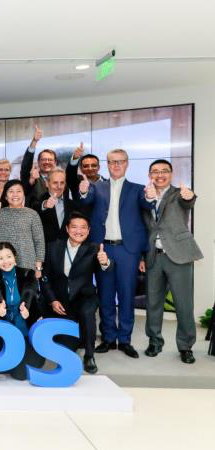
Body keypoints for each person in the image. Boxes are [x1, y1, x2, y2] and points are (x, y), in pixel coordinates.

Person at [79, 148, 152, 358]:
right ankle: (109, 338)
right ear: (108, 165)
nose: (116, 165)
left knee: (127, 296)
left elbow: (147, 204)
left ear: (127, 163)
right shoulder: (96, 187)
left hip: (128, 250)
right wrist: (83, 191)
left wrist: (150, 196)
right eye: (112, 162)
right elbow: (85, 200)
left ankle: (125, 340)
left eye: (120, 161)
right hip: (103, 249)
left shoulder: (138, 189)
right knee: (106, 295)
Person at [142, 160, 203, 364]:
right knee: (152, 303)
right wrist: (142, 256)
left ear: (171, 173)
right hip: (154, 256)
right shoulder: (144, 196)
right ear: (150, 175)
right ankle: (154, 341)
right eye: (155, 171)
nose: (160, 175)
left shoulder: (179, 193)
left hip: (179, 256)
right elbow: (143, 228)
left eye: (164, 171)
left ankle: (185, 346)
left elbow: (188, 202)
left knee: (183, 304)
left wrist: (189, 196)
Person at [40, 213, 111, 374]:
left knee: (87, 313)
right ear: (67, 229)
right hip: (60, 301)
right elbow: (45, 278)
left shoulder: (94, 249)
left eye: (83, 227)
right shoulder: (53, 247)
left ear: (88, 230)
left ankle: (89, 355)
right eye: (74, 227)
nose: (79, 231)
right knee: (67, 345)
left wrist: (105, 262)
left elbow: (106, 269)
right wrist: (52, 300)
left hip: (84, 297)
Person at [0, 242, 44, 380]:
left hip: (28, 331)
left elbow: (30, 289)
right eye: (1, 258)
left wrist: (25, 305)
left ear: (15, 257)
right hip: (8, 334)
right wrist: (0, 303)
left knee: (26, 372)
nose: (5, 261)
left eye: (8, 256)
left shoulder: (28, 273)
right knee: (17, 373)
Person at [0, 179, 45, 279]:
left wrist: (38, 267)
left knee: (25, 287)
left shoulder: (32, 214)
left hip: (26, 261)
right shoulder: (0, 212)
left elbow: (39, 241)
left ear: (24, 194)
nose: (15, 194)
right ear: (6, 196)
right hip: (2, 261)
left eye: (18, 191)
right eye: (11, 191)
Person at [32, 168, 79, 243]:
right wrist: (45, 204)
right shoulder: (38, 200)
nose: (59, 186)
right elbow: (37, 207)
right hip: (46, 247)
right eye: (55, 183)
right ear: (47, 183)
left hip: (67, 247)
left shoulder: (72, 204)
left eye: (62, 183)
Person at [20, 125, 57, 204]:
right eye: (43, 159)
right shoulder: (32, 178)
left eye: (50, 160)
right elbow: (26, 166)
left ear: (55, 162)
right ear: (38, 162)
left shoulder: (60, 179)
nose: (47, 162)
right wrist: (34, 141)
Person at [66, 143, 105, 217]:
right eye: (86, 166)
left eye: (93, 165)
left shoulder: (108, 184)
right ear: (81, 168)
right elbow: (70, 174)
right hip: (81, 222)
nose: (90, 168)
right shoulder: (75, 182)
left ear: (99, 167)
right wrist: (75, 158)